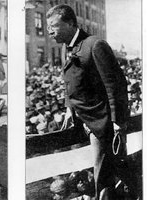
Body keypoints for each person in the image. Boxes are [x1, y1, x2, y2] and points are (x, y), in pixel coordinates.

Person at [46, 5, 139, 200]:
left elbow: (116, 85)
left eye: (53, 26)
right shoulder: (66, 46)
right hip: (83, 119)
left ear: (70, 23)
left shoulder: (95, 45)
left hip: (101, 122)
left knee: (103, 173)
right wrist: (69, 107)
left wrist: (117, 122)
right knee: (113, 167)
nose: (49, 31)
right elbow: (69, 80)